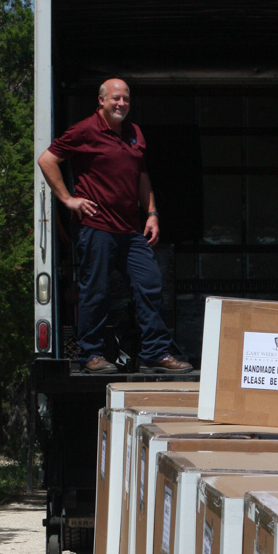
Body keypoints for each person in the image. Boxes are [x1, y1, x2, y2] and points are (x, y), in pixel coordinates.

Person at [37, 79, 191, 374]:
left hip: (130, 229)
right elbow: (47, 160)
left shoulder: (134, 133)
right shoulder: (85, 130)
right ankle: (91, 355)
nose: (121, 104)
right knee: (96, 290)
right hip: (96, 227)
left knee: (150, 283)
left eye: (126, 99)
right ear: (101, 100)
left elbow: (141, 176)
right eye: (115, 99)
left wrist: (152, 213)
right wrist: (68, 200)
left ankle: (155, 353)